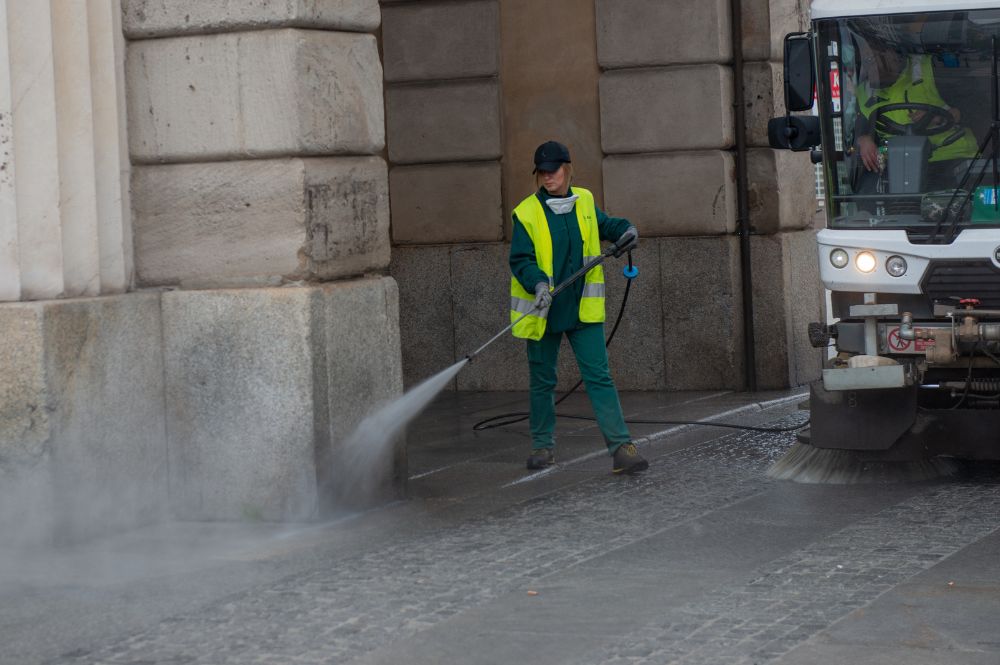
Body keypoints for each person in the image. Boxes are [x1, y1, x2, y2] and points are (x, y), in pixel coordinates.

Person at [508, 140, 647, 475]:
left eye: (553, 170)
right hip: (545, 309)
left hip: (582, 307)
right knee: (542, 379)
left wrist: (626, 230)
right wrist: (538, 283)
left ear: (567, 168)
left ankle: (621, 447)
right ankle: (542, 447)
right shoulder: (526, 212)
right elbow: (521, 259)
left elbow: (605, 225)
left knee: (598, 376)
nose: (547, 177)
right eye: (541, 172)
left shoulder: (583, 201)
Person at [853, 42, 977, 191]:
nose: (869, 69)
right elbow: (855, 132)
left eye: (873, 60)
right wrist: (862, 139)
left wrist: (938, 117)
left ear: (892, 55)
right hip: (898, 166)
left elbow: (973, 107)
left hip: (952, 159)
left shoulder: (930, 68)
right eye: (865, 62)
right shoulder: (863, 93)